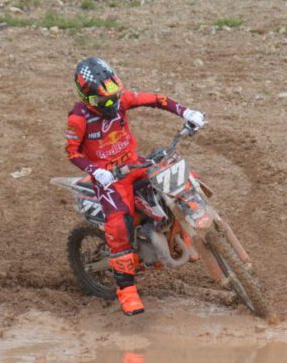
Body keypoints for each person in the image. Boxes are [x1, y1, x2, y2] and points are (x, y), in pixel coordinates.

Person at [65, 57, 205, 316]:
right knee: (119, 224)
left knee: (175, 177)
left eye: (114, 97)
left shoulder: (121, 100)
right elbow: (72, 152)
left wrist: (186, 112)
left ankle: (182, 235)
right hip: (109, 178)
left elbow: (157, 100)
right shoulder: (78, 118)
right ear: (87, 98)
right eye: (104, 101)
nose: (112, 104)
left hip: (133, 164)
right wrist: (97, 171)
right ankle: (127, 291)